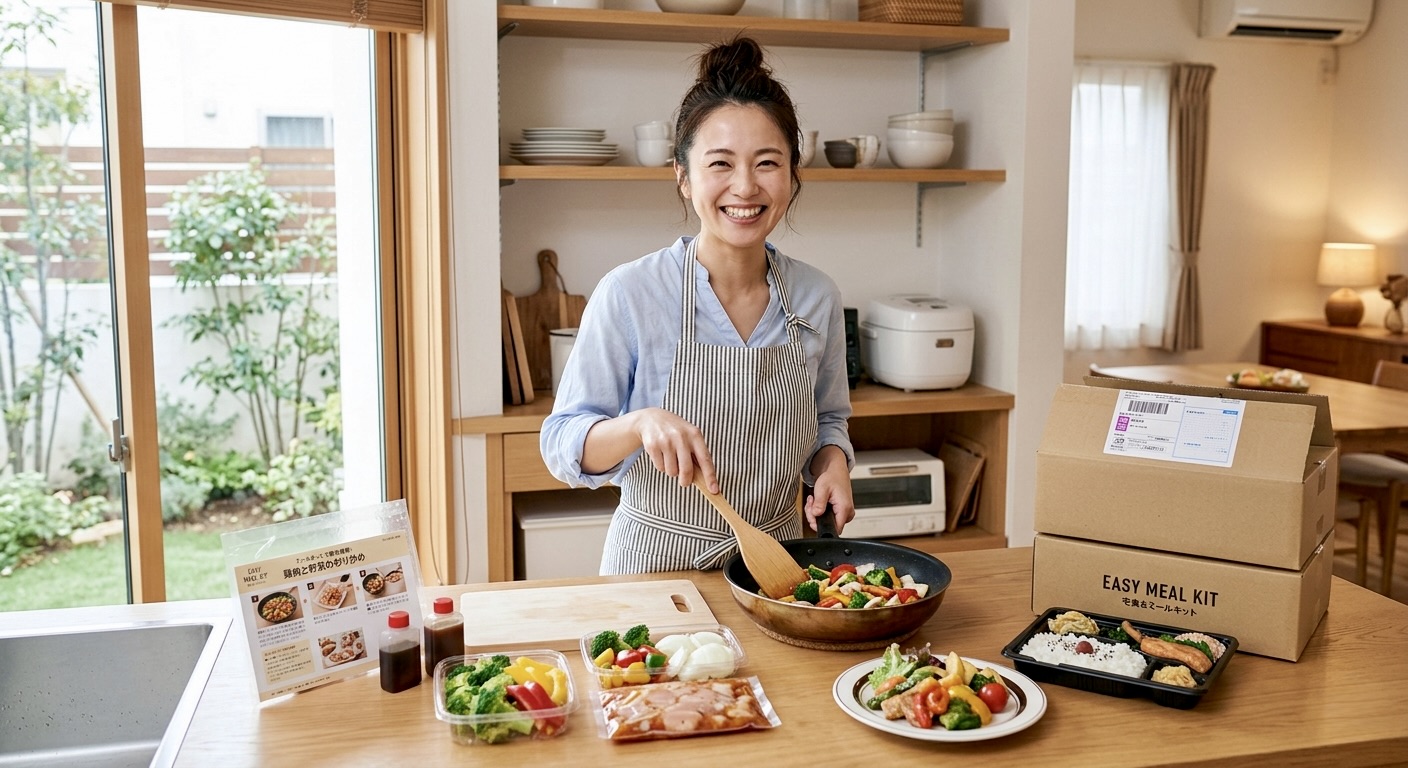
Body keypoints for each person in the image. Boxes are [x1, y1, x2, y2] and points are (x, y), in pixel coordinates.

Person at [539, 36, 855, 575]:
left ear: (792, 177)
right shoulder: (631, 292)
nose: (745, 186)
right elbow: (563, 443)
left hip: (774, 569)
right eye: (720, 164)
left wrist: (833, 463)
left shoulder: (816, 297)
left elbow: (829, 420)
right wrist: (638, 424)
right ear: (684, 178)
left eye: (767, 162)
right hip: (654, 570)